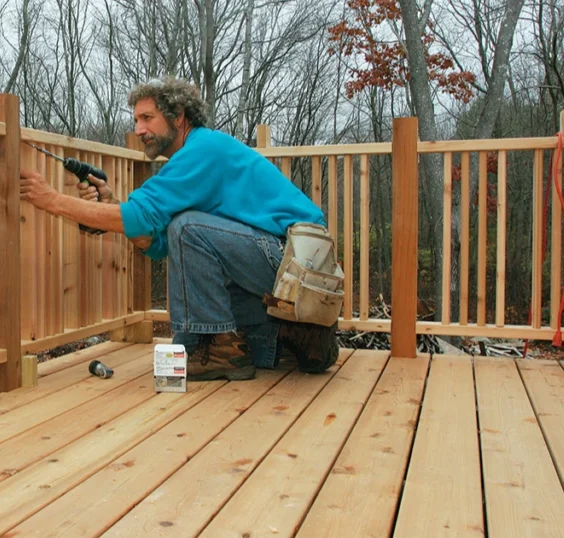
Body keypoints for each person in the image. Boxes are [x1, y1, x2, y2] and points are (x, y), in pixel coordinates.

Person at [18, 76, 339, 381]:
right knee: (192, 331)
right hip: (284, 272)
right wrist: (112, 206)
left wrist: (52, 200)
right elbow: (154, 242)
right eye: (135, 121)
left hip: (298, 265)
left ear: (179, 117)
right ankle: (295, 338)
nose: (139, 129)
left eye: (147, 118)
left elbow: (146, 220)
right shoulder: (193, 159)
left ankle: (223, 352)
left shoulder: (203, 150)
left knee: (187, 238)